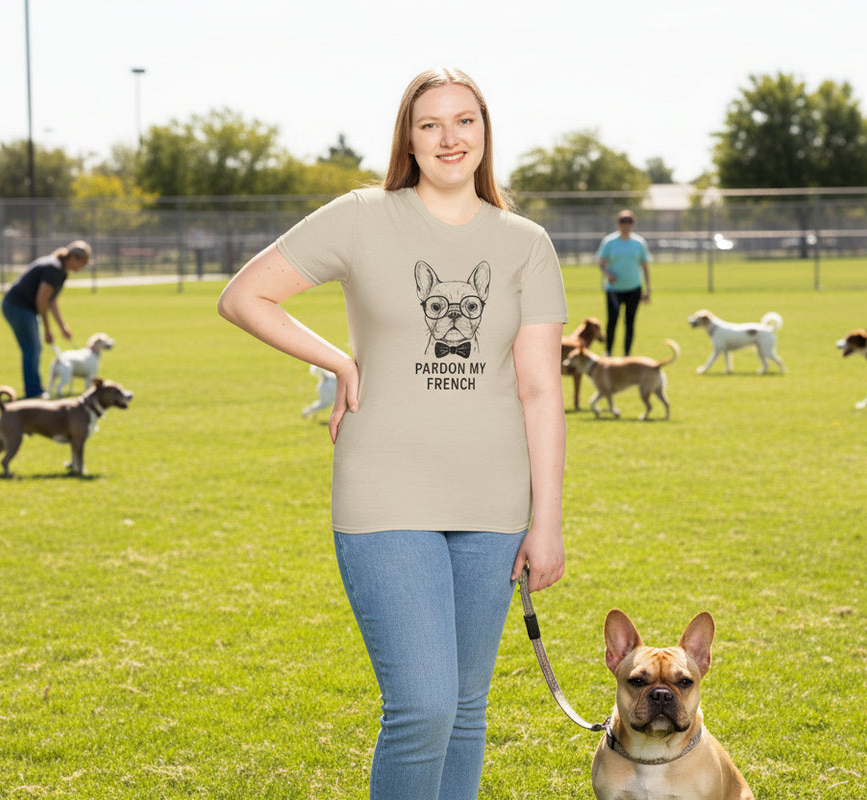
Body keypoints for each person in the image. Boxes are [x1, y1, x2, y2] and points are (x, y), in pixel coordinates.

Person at [217, 68, 567, 800]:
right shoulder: (359, 217)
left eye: (464, 121)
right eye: (431, 123)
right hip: (385, 496)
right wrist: (338, 358)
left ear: (484, 132)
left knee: (468, 711)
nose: (450, 138)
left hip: (494, 505)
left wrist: (547, 523)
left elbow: (539, 390)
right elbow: (245, 295)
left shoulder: (526, 243)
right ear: (408, 137)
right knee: (424, 707)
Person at [0, 240, 90, 398]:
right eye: (83, 262)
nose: (82, 267)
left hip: (20, 307)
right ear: (74, 257)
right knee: (32, 348)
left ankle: (35, 388)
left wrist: (62, 327)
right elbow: (41, 300)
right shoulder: (53, 268)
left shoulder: (61, 271)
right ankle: (33, 391)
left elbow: (52, 300)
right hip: (18, 307)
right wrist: (48, 329)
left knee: (33, 348)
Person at [596, 209, 651, 355]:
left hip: (634, 288)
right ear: (617, 223)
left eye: (629, 222)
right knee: (612, 321)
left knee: (630, 322)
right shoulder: (609, 242)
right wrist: (608, 273)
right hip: (614, 289)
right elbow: (601, 262)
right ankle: (608, 352)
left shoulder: (639, 243)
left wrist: (648, 289)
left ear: (633, 224)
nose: (625, 225)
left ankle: (627, 355)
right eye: (622, 221)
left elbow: (645, 267)